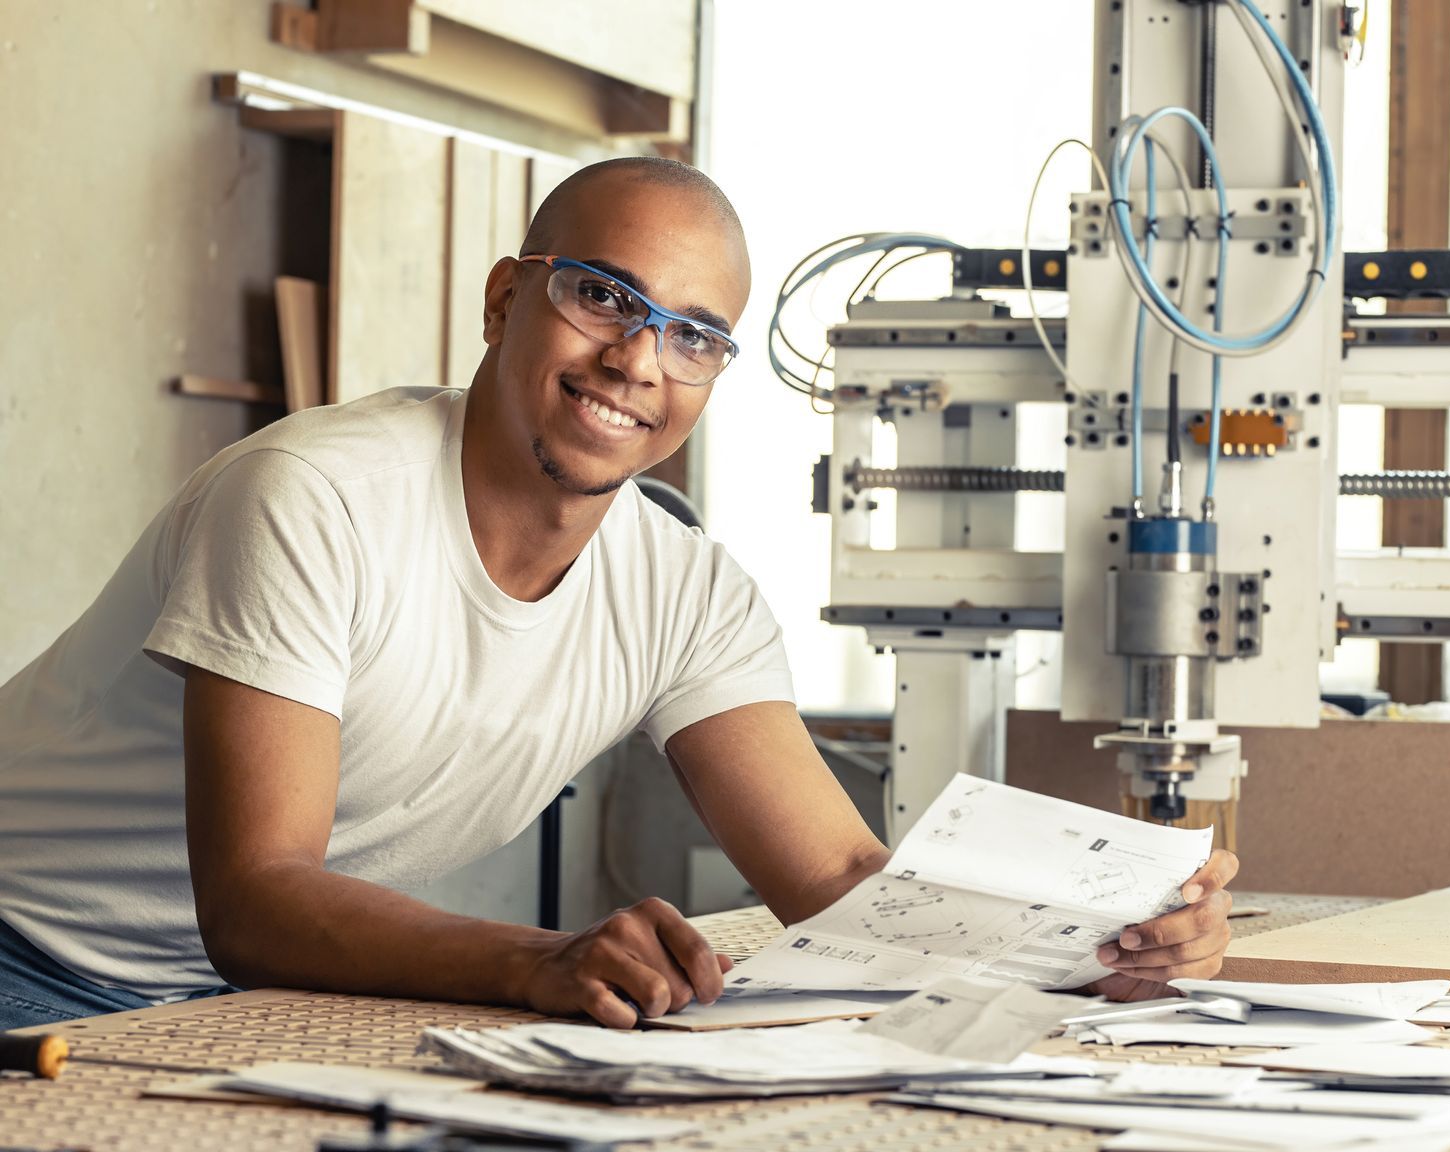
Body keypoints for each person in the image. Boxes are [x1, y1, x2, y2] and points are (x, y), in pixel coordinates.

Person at [0, 157, 1238, 1033]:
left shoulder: (687, 589)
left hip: (224, 999)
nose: (638, 361)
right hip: (27, 947)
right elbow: (258, 894)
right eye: (603, 294)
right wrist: (543, 959)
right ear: (504, 299)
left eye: (694, 335)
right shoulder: (310, 497)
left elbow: (843, 877)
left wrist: (1096, 946)